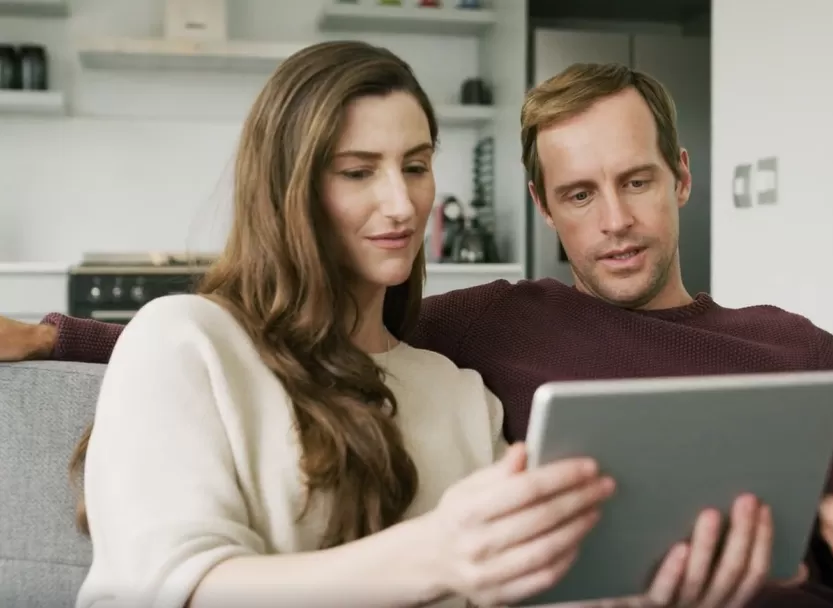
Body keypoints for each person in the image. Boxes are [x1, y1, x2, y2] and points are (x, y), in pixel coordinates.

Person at [1, 61, 833, 608]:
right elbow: (270, 337)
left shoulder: (798, 353)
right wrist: (53, 338)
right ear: (544, 208)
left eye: (635, 182)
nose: (616, 221)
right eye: (581, 195)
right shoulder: (492, 326)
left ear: (680, 176)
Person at [39, 42, 677, 608]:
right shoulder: (185, 339)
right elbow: (169, 589)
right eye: (357, 172)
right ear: (288, 189)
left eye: (417, 166)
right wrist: (433, 555)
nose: (402, 206)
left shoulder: (458, 394)